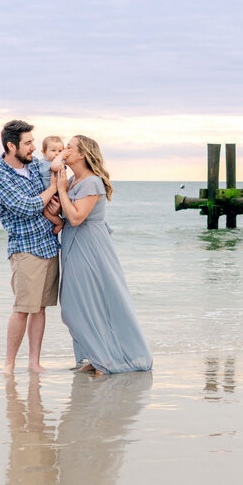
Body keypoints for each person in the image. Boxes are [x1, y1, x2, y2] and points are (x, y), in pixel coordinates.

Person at [51, 135, 152, 374]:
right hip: (73, 245)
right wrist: (57, 208)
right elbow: (65, 219)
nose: (64, 151)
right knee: (73, 305)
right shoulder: (74, 180)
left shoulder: (92, 182)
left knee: (94, 301)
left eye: (69, 148)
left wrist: (62, 192)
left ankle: (108, 360)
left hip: (90, 246)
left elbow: (76, 218)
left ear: (82, 154)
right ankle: (95, 356)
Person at [0, 120, 63, 375]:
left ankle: (34, 362)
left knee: (40, 308)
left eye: (33, 141)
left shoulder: (34, 166)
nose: (33, 147)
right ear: (11, 146)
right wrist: (53, 189)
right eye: (28, 143)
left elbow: (53, 171)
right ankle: (8, 365)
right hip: (26, 248)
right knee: (22, 308)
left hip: (49, 245)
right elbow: (27, 207)